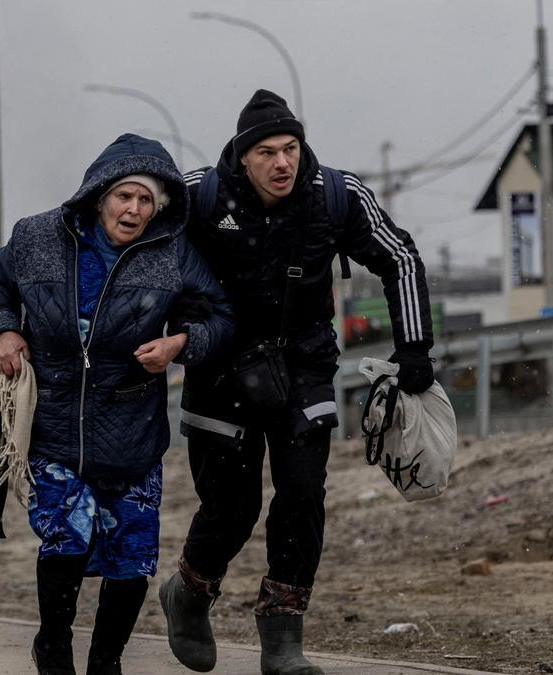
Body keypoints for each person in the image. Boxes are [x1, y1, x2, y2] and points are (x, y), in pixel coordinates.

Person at [159, 90, 435, 675]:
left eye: (291, 148)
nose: (282, 163)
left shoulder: (336, 194)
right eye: (267, 152)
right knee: (233, 507)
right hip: (219, 365)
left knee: (303, 495)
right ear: (242, 156)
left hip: (303, 364)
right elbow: (126, 235)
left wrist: (413, 347)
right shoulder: (196, 194)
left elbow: (400, 258)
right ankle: (188, 594)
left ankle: (282, 637)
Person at [0, 133, 233, 675]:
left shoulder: (172, 254)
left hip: (132, 430)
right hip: (53, 424)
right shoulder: (38, 235)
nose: (134, 210)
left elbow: (218, 316)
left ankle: (106, 661)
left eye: (146, 201)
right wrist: (3, 331)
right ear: (100, 196)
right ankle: (52, 646)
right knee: (66, 538)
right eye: (124, 197)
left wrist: (179, 344)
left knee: (130, 558)